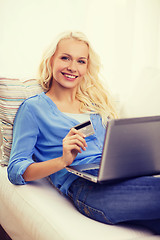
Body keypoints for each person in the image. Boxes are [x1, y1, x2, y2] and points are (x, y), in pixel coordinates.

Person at [8, 31, 160, 234]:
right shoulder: (34, 109)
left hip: (122, 179)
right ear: (51, 60)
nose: (72, 67)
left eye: (81, 61)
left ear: (87, 67)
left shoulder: (95, 107)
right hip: (86, 188)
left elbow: (110, 155)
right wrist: (62, 161)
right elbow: (15, 169)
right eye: (65, 58)